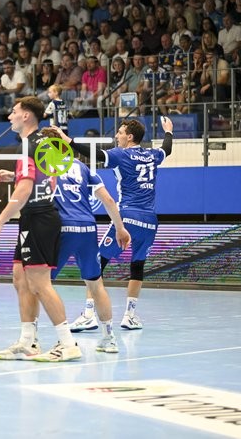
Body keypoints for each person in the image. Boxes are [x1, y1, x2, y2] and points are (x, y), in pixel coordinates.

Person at [0, 97, 81, 362]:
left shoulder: (30, 146)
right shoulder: (43, 142)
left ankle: (68, 343)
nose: (10, 116)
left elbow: (26, 189)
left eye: (14, 112)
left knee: (40, 283)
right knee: (20, 278)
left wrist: (0, 220)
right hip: (34, 217)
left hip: (40, 218)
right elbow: (46, 178)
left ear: (26, 116)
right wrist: (14, 176)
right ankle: (28, 342)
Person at [68, 117, 174, 331]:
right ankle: (130, 315)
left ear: (130, 137)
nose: (117, 136)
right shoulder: (153, 155)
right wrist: (169, 132)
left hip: (127, 217)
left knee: (96, 263)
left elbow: (95, 155)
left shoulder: (121, 154)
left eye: (120, 132)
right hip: (150, 221)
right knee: (138, 265)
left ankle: (89, 314)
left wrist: (68, 141)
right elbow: (167, 149)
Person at [40, 125, 130, 353]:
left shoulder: (44, 166)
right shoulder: (82, 167)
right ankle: (109, 338)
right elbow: (109, 200)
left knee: (40, 285)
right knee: (95, 284)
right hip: (88, 230)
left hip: (63, 230)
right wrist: (120, 229)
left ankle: (59, 339)